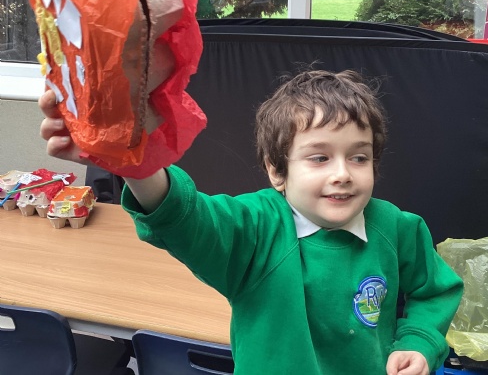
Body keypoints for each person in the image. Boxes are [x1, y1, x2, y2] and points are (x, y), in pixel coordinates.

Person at [39, 68, 463, 375]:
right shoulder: (256, 229)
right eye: (319, 157)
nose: (343, 173)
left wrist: (420, 343)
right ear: (277, 171)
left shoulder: (396, 227)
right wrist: (135, 160)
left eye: (359, 157)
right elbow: (187, 219)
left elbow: (435, 291)